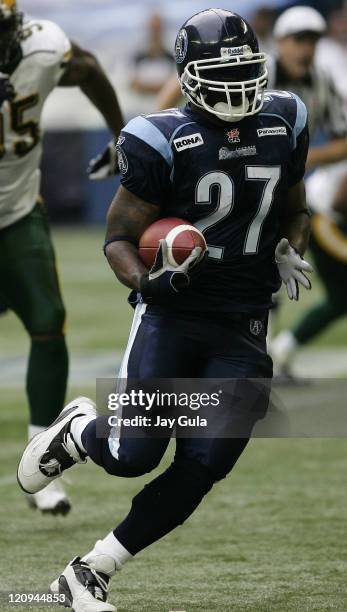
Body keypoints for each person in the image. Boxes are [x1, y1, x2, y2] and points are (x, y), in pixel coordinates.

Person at [17, 9, 312, 611]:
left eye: (243, 69)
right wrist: (152, 283)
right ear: (189, 75)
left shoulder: (287, 117)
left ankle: (91, 570)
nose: (235, 84)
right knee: (132, 456)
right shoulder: (158, 136)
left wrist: (289, 246)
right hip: (171, 316)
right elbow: (119, 238)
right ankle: (80, 431)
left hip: (245, 321)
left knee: (207, 461)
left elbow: (295, 205)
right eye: (219, 71)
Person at [0, 0, 124, 515]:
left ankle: (40, 458)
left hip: (17, 212)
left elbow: (89, 68)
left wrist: (120, 134)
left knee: (48, 322)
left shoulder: (43, 47)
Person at [267, 6, 347, 375]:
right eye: (299, 39)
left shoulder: (320, 80)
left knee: (273, 277)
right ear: (281, 41)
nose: (306, 48)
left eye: (313, 40)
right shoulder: (257, 72)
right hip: (244, 186)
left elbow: (344, 137)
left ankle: (266, 359)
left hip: (292, 194)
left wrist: (307, 157)